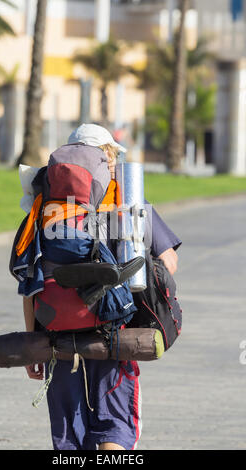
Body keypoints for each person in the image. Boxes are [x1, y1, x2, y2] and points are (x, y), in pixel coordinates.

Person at [22, 123, 181, 450]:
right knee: (114, 425)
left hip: (55, 334)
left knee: (69, 434)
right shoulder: (128, 195)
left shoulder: (43, 206)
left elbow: (30, 283)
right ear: (106, 155)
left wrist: (31, 343)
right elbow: (168, 260)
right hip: (112, 333)